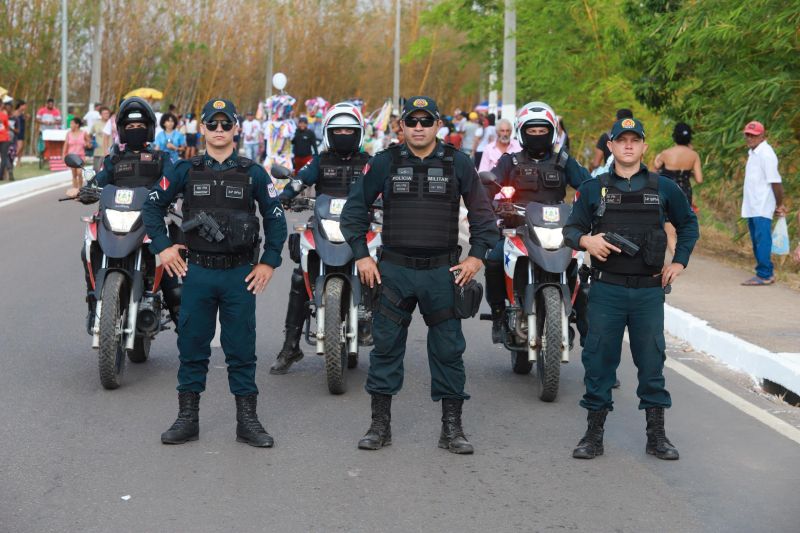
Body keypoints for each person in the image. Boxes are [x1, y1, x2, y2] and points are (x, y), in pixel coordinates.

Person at [340, 96, 499, 454]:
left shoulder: (458, 163)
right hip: (393, 272)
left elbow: (483, 218)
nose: (419, 127)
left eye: (426, 121)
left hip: (443, 273)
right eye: (412, 121)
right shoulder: (384, 163)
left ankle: (452, 429)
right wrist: (363, 257)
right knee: (385, 350)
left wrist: (475, 258)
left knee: (448, 352)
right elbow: (353, 213)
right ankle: (379, 426)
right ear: (402, 126)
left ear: (437, 125)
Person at [143, 98, 287, 448]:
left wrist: (268, 261)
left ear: (237, 128)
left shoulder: (253, 173)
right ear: (203, 128)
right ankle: (187, 418)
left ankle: (247, 421)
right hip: (199, 274)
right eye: (213, 124)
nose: (219, 131)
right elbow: (152, 205)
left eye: (226, 125)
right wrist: (162, 247)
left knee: (241, 350)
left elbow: (276, 217)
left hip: (239, 275)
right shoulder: (184, 170)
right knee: (192, 346)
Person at [563, 117, 699, 461]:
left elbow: (688, 224)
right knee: (599, 364)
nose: (627, 145)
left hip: (648, 293)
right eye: (620, 140)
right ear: (610, 146)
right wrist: (586, 240)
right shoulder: (594, 188)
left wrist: (679, 261)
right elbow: (570, 229)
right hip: (606, 292)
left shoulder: (664, 187)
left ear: (644, 147)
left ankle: (657, 437)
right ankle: (593, 435)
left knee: (652, 364)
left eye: (633, 140)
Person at [270, 102, 372, 375]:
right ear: (327, 132)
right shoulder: (321, 161)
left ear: (359, 133)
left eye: (348, 130)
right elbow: (300, 180)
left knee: (382, 268)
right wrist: (286, 196)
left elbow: (384, 186)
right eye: (337, 130)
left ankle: (378, 332)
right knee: (298, 277)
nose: (343, 134)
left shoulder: (369, 163)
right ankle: (291, 345)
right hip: (324, 225)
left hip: (361, 228)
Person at [483, 102, 591, 345]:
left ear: (552, 132)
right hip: (518, 230)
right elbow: (489, 185)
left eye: (543, 131)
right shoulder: (510, 161)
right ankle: (499, 314)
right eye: (532, 131)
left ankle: (592, 345)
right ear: (521, 132)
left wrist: (592, 204)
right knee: (493, 259)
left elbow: (588, 185)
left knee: (584, 276)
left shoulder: (563, 161)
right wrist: (489, 206)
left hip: (559, 232)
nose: (537, 135)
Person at [77, 97, 183, 335]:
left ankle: (179, 313)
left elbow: (172, 181)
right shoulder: (113, 160)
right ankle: (94, 302)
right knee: (88, 247)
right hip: (116, 218)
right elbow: (99, 181)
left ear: (149, 128)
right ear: (123, 130)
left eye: (140, 126)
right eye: (131, 127)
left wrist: (172, 192)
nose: (136, 130)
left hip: (151, 220)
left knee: (169, 254)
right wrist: (88, 189)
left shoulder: (161, 158)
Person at [740, 121, 784, 285]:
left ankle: (765, 274)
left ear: (762, 136)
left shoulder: (766, 154)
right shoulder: (754, 153)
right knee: (757, 239)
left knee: (762, 239)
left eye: (754, 135)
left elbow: (776, 182)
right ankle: (764, 272)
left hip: (762, 205)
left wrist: (779, 205)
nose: (750, 138)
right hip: (753, 205)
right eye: (748, 134)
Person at [654, 122, 703, 254]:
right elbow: (699, 179)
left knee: (669, 230)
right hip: (685, 191)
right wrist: (687, 172)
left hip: (668, 189)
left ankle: (678, 258)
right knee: (680, 226)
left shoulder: (666, 153)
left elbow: (655, 166)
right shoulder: (694, 155)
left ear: (674, 136)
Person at [63, 118, 91, 190]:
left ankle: (80, 189)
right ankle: (74, 189)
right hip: (71, 157)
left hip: (80, 156)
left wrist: (87, 144)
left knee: (79, 173)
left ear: (77, 125)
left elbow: (89, 143)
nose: (71, 125)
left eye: (72, 123)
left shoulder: (84, 133)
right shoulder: (68, 133)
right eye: (70, 124)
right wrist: (63, 154)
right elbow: (66, 144)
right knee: (74, 174)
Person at [12, 100, 27, 166]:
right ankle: (11, 158)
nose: (25, 106)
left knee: (22, 147)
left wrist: (26, 117)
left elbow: (23, 120)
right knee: (19, 146)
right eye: (24, 105)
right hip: (17, 131)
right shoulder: (15, 113)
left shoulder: (22, 113)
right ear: (20, 106)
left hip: (22, 131)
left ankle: (19, 161)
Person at [0, 102, 12, 181]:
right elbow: (7, 127)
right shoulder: (4, 115)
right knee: (4, 157)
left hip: (4, 138)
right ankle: (1, 175)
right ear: (1, 105)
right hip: (4, 138)